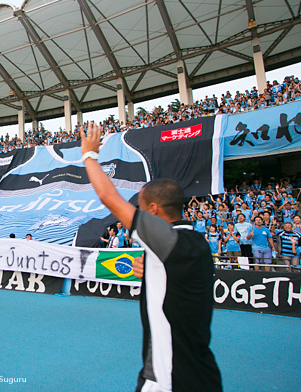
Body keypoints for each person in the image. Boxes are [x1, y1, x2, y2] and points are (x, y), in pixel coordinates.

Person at [80, 121, 221, 392]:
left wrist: (89, 155)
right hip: (201, 374)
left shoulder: (168, 239)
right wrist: (152, 265)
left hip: (169, 379)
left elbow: (108, 197)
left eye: (140, 208)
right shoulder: (195, 241)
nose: (136, 212)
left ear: (153, 210)